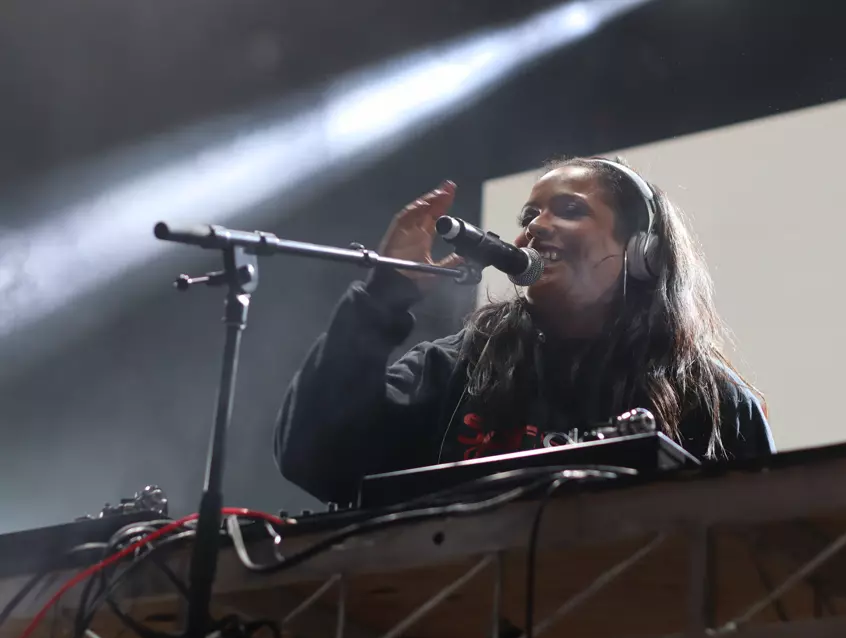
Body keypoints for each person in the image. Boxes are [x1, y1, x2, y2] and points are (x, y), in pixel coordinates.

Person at [274, 156, 775, 504]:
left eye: (570, 209)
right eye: (529, 215)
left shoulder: (714, 403)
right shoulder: (456, 368)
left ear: (642, 254)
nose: (535, 227)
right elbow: (315, 459)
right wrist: (382, 296)